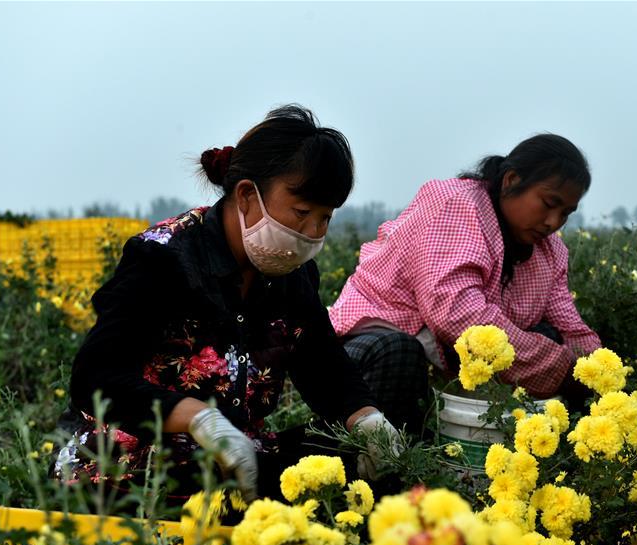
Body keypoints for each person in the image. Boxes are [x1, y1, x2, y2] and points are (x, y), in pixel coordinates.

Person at [52, 105, 401, 503]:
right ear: (248, 196)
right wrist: (197, 418)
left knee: (354, 468)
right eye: (302, 213)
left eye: (325, 218)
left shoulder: (293, 275)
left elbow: (321, 364)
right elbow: (95, 376)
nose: (312, 233)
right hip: (131, 467)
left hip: (233, 461)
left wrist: (365, 417)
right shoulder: (164, 258)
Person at [329, 133, 602, 428]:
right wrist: (560, 371)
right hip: (374, 347)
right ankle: (382, 465)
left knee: (550, 336)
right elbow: (456, 314)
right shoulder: (459, 205)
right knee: (401, 352)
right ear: (511, 180)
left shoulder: (549, 251)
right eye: (549, 203)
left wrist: (599, 376)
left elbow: (570, 326)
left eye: (565, 213)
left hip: (443, 354)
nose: (553, 222)